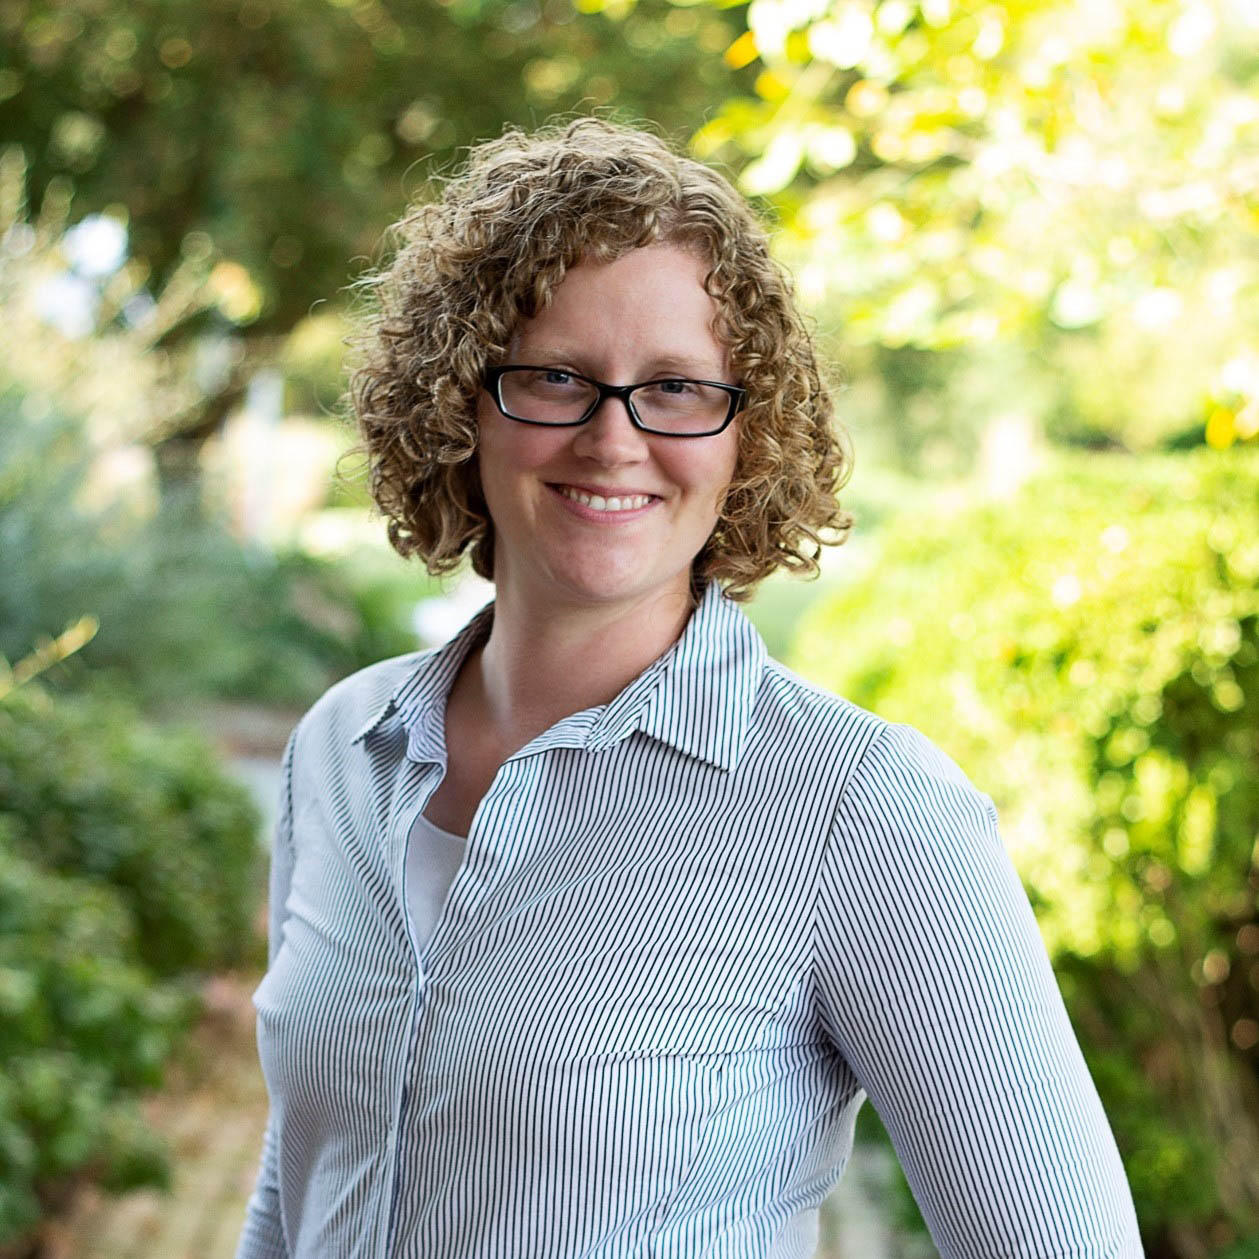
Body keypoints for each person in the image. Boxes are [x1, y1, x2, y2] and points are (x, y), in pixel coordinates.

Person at [235, 118, 1144, 1259]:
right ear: (461, 403)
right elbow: (300, 1177)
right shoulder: (339, 747)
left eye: (674, 387)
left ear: (745, 436)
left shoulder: (861, 813)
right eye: (555, 376)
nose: (612, 439)